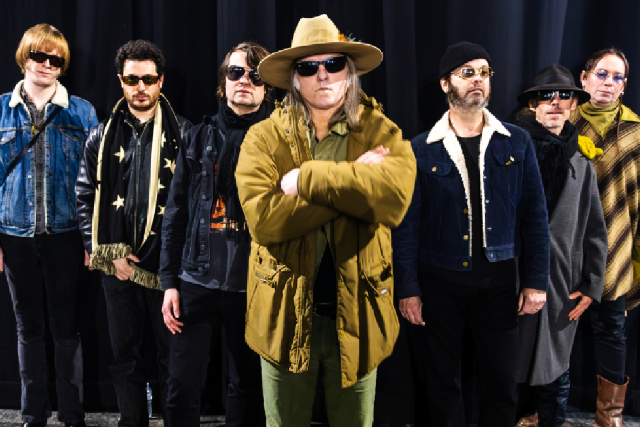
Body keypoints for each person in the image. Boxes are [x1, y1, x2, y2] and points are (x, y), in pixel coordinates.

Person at [234, 14, 416, 427]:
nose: (322, 75)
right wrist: (355, 184)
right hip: (282, 316)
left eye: (333, 64)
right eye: (308, 67)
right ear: (294, 79)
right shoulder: (263, 138)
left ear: (348, 72)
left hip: (360, 316)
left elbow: (393, 200)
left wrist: (308, 180)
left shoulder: (381, 131)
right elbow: (265, 221)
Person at [393, 41, 550, 427]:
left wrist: (535, 282)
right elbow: (407, 226)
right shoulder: (420, 149)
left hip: (499, 283)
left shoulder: (516, 141)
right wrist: (408, 288)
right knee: (442, 380)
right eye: (467, 72)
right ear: (446, 83)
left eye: (484, 72)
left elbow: (534, 216)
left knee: (501, 382)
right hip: (439, 283)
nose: (478, 79)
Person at [75, 40, 192, 427]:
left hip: (168, 269)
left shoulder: (185, 134)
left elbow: (195, 203)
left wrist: (174, 263)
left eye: (148, 79)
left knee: (172, 355)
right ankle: (132, 421)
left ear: (161, 81)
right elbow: (84, 196)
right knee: (125, 356)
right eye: (131, 79)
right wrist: (106, 254)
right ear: (120, 80)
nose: (140, 87)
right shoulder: (100, 136)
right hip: (118, 267)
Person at [159, 41, 272, 427]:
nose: (245, 81)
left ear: (267, 88)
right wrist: (169, 282)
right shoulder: (197, 137)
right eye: (236, 72)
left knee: (248, 389)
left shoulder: (280, 142)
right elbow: (176, 213)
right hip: (196, 280)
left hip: (254, 285)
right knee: (181, 389)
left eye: (255, 75)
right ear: (224, 82)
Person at [0, 23, 98, 427]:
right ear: (24, 57)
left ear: (62, 66)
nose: (45, 64)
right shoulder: (1, 110)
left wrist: (92, 241)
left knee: (66, 328)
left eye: (54, 59)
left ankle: (73, 415)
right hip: (14, 236)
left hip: (66, 236)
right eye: (38, 55)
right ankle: (32, 415)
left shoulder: (82, 111)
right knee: (28, 328)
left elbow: (96, 182)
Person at [512, 64, 607, 427]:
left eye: (564, 95)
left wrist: (592, 286)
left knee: (556, 371)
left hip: (562, 283)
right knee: (505, 367)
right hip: (513, 278)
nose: (555, 102)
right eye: (545, 96)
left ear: (573, 104)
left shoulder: (582, 163)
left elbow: (595, 230)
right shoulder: (511, 153)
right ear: (532, 104)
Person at [570, 47, 640, 427]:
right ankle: (542, 407)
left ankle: (609, 415)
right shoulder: (563, 119)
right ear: (584, 79)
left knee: (611, 329)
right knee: (554, 327)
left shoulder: (635, 132)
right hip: (566, 246)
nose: (608, 83)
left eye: (617, 77)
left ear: (624, 86)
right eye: (601, 74)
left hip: (615, 245)